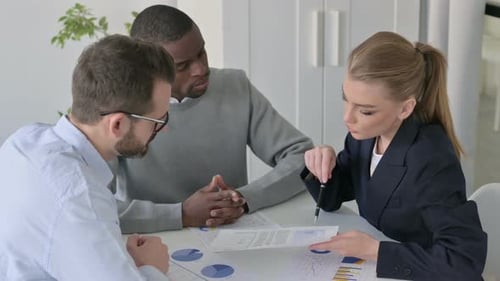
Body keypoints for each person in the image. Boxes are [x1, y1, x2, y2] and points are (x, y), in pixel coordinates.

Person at [302, 31, 487, 280]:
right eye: (347, 100)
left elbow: (462, 261)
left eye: (366, 111)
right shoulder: (365, 136)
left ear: (405, 108)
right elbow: (334, 197)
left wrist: (375, 250)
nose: (348, 117)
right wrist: (321, 165)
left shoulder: (430, 160)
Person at [114, 4, 314, 233]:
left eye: (201, 52)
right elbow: (93, 206)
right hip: (154, 242)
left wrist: (244, 199)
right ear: (149, 70)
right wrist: (181, 214)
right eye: (182, 66)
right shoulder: (119, 113)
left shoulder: (235, 86)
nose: (200, 69)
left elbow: (302, 157)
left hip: (232, 237)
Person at [0, 34, 176, 280]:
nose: (163, 129)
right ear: (118, 125)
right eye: (158, 120)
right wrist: (151, 267)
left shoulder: (22, 141)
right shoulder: (78, 198)